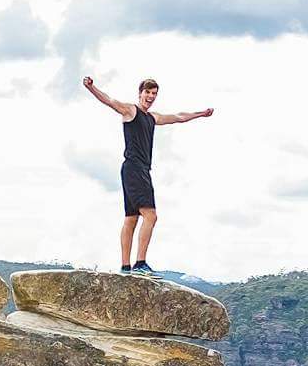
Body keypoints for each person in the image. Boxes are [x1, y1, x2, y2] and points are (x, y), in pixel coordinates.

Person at [81, 74, 214, 273]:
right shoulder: (131, 111)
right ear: (140, 93)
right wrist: (91, 87)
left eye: (154, 94)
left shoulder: (153, 118)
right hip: (134, 168)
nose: (150, 96)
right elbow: (109, 100)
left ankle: (125, 267)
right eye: (148, 92)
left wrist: (201, 114)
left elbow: (178, 117)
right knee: (150, 216)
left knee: (131, 218)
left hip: (139, 170)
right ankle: (140, 263)